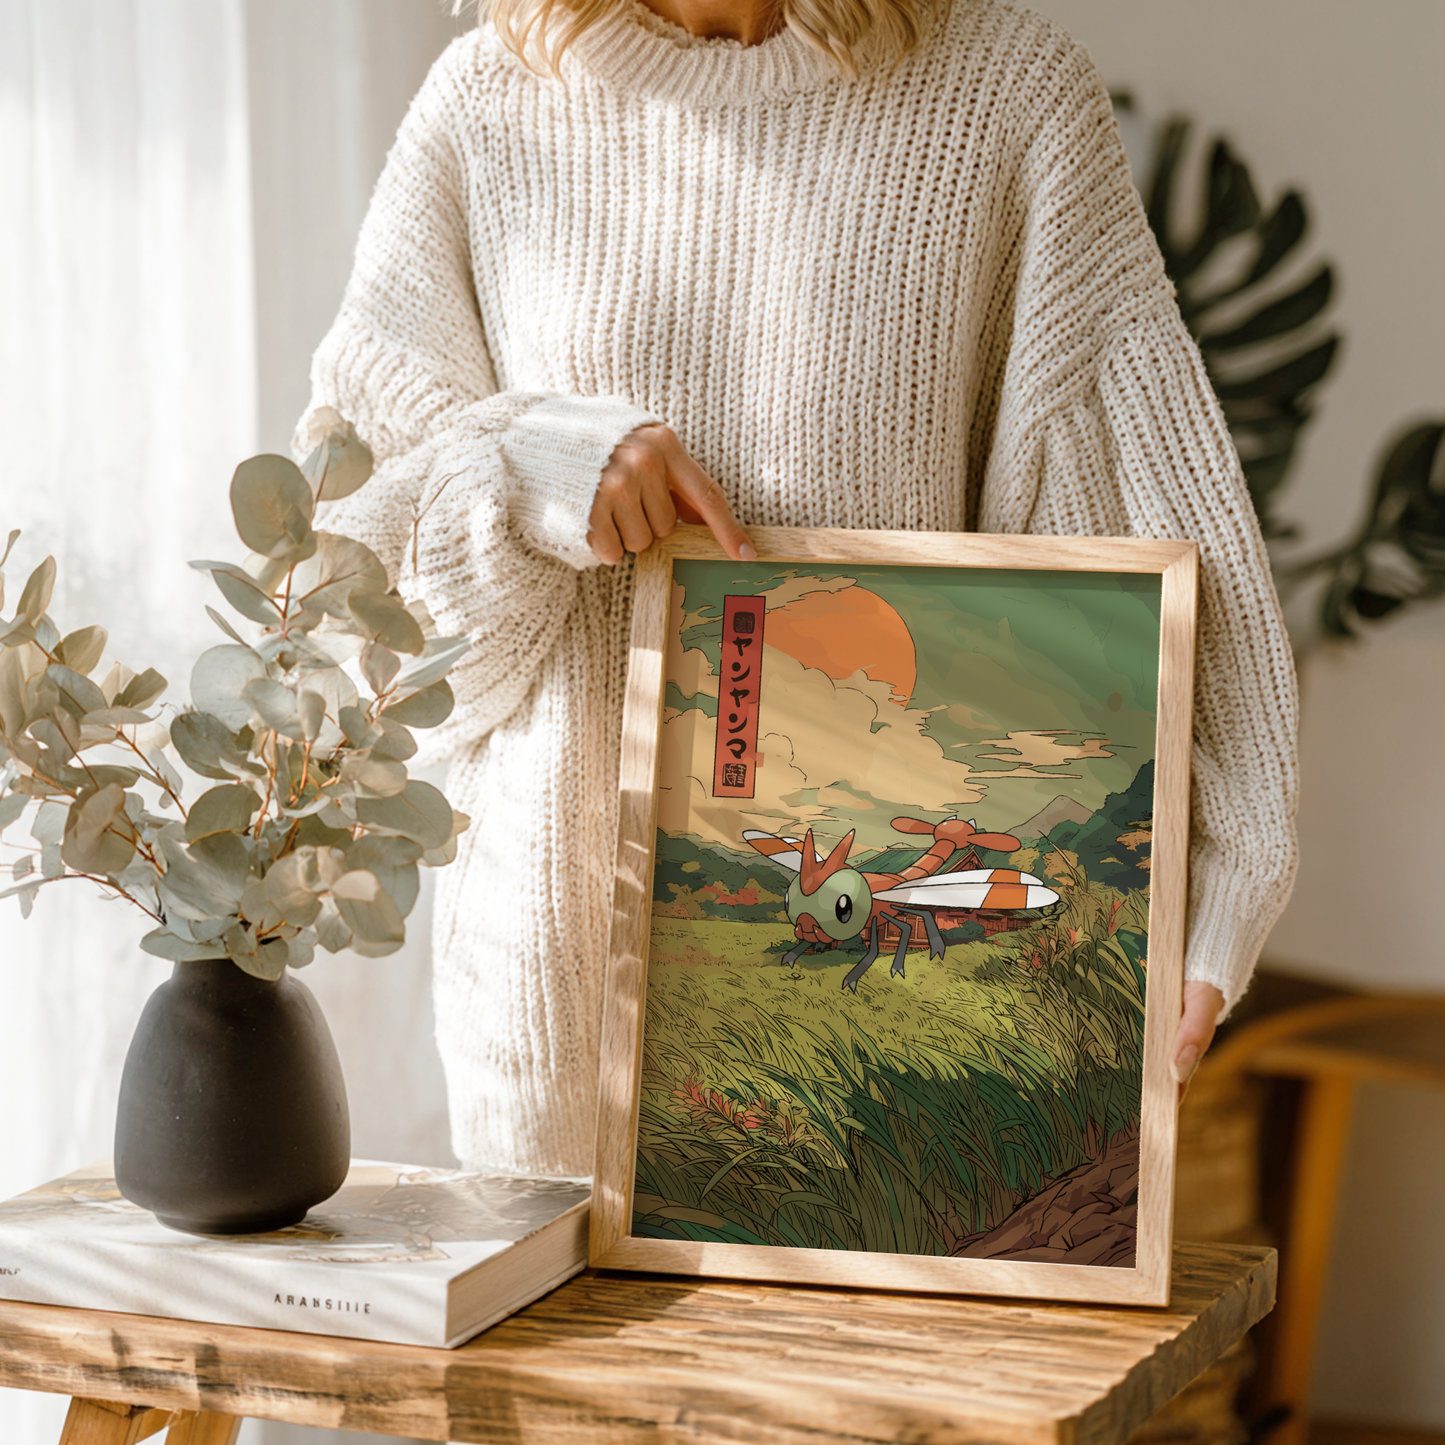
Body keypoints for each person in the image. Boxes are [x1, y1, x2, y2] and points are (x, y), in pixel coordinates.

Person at [296, 0, 1298, 1178]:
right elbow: (345, 613)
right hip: (550, 1013)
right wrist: (526, 464)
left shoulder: (1005, 95)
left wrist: (1214, 876)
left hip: (910, 1052)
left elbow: (1137, 523)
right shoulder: (485, 105)